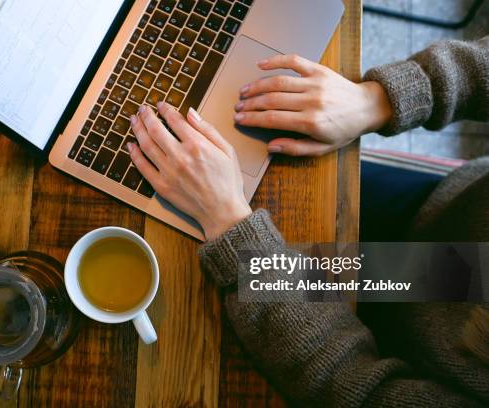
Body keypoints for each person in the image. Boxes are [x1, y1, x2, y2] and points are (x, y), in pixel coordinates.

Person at [128, 36, 489, 407]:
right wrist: (375, 101)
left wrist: (230, 226)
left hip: (412, 357)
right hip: (442, 226)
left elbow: (353, 391)